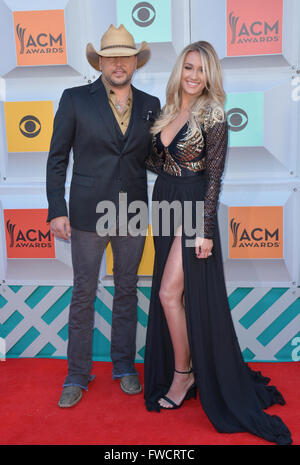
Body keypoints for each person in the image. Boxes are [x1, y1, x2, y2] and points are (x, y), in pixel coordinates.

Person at [144, 41, 292, 445]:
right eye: (188, 67)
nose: (193, 75)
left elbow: (214, 177)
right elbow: (157, 163)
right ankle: (186, 368)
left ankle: (183, 374)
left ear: (210, 76)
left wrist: (206, 229)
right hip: (165, 202)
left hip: (193, 206)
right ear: (180, 69)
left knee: (168, 293)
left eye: (201, 70)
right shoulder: (167, 111)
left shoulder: (214, 114)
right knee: (173, 294)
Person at [46, 24, 160, 407]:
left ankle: (125, 367)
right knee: (84, 293)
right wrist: (56, 210)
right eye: (111, 56)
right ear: (101, 61)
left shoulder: (150, 104)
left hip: (131, 213)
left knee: (127, 291)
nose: (118, 63)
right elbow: (57, 159)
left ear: (134, 61)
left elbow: (154, 159)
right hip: (85, 213)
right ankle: (77, 374)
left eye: (125, 56)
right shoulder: (76, 98)